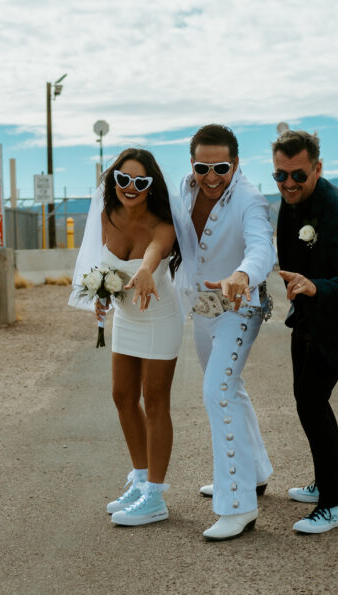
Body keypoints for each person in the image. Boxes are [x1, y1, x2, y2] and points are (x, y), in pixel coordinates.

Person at [69, 148, 195, 527]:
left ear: (150, 186)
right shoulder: (106, 216)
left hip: (159, 319)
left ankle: (156, 497)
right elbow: (101, 264)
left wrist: (144, 270)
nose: (130, 187)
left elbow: (154, 253)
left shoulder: (162, 224)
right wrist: (101, 294)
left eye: (140, 182)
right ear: (114, 180)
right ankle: (140, 480)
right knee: (123, 396)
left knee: (155, 402)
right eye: (123, 179)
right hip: (125, 318)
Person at [272, 129, 338, 534]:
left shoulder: (337, 211)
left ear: (317, 168)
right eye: (280, 176)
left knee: (310, 400)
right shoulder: (288, 204)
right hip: (307, 319)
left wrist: (316, 287)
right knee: (307, 400)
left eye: (298, 175)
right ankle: (337, 478)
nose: (288, 184)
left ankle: (333, 504)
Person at [179, 124, 276, 541]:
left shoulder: (251, 199)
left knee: (217, 391)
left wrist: (243, 274)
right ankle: (253, 473)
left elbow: (261, 248)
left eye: (221, 166)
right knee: (229, 387)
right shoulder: (185, 189)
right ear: (192, 164)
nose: (212, 176)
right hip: (204, 305)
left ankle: (238, 504)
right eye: (204, 166)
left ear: (235, 164)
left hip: (239, 304)